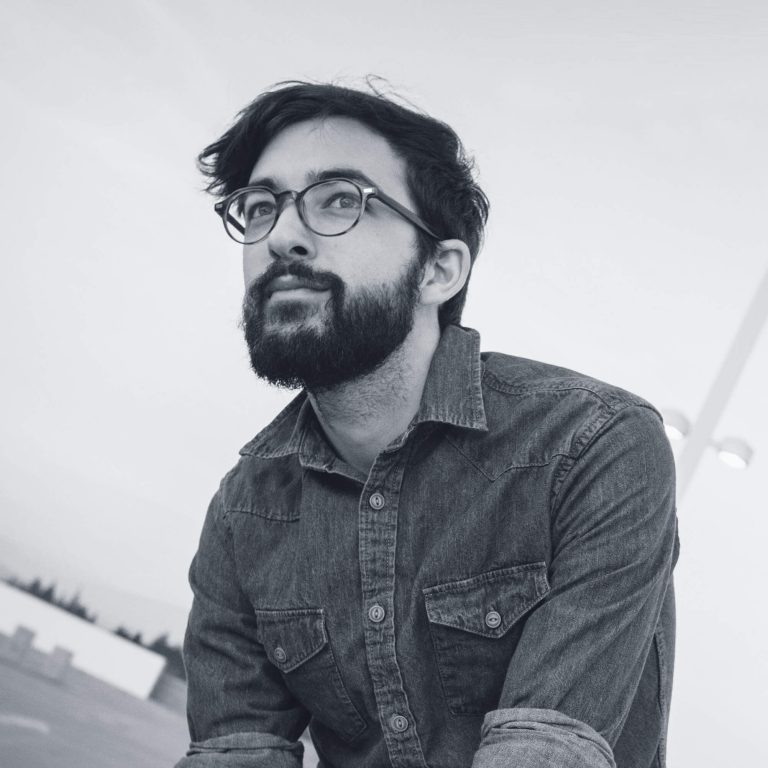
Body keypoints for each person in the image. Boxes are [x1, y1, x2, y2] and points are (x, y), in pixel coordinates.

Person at [176, 81, 680, 768]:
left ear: (439, 270)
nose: (283, 237)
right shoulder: (245, 513)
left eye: (340, 200)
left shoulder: (594, 446)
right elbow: (234, 752)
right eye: (261, 208)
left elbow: (545, 753)